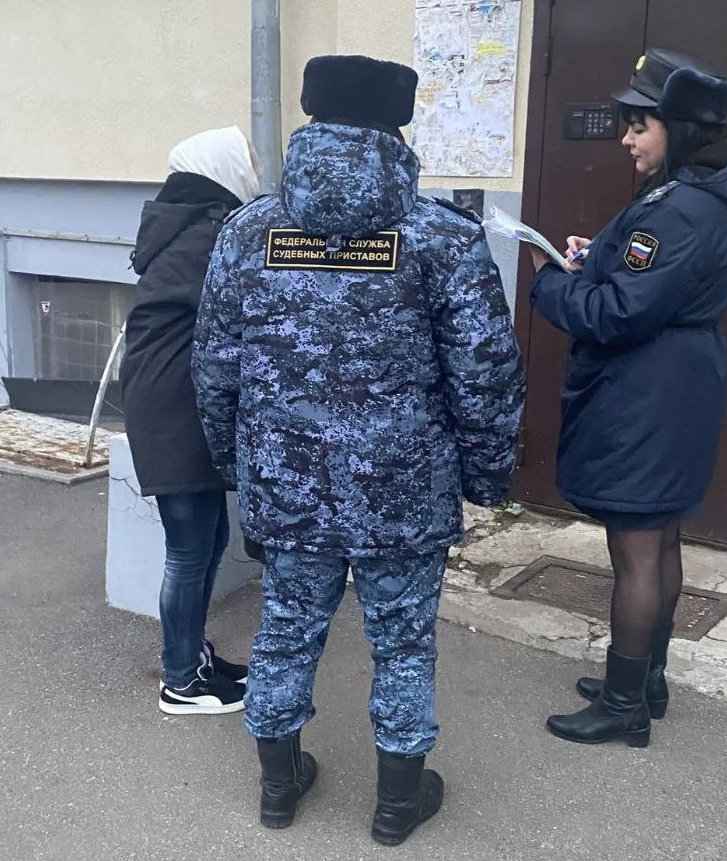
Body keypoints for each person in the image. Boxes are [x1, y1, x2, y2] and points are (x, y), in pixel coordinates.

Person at [192, 55, 525, 843]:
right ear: (397, 128)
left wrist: (237, 467)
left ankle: (279, 789)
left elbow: (213, 365)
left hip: (288, 484)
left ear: (311, 117)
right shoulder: (442, 236)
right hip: (403, 490)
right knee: (403, 643)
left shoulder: (249, 232)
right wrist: (486, 477)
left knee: (284, 630)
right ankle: (397, 805)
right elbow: (486, 372)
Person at [528, 49, 727, 747]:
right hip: (679, 383)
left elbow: (618, 315)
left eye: (640, 126)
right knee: (660, 539)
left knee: (635, 550)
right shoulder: (704, 194)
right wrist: (599, 257)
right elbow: (649, 283)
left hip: (647, 391)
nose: (627, 140)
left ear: (679, 129)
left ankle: (623, 706)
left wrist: (548, 279)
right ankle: (645, 681)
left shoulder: (680, 209)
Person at [121, 126, 261, 716]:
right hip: (172, 406)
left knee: (210, 539)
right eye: (249, 161)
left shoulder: (192, 225)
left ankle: (192, 656)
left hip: (177, 400)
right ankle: (180, 681)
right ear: (222, 169)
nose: (257, 170)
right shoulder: (207, 236)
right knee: (188, 548)